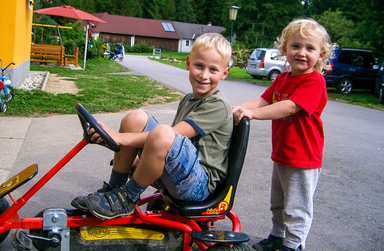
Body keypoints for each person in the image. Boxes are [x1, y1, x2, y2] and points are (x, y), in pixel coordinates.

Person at [71, 33, 233, 221]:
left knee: (165, 132)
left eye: (213, 70)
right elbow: (170, 147)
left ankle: (127, 198)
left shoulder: (218, 104)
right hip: (177, 175)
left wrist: (119, 137)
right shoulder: (188, 99)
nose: (204, 75)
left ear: (224, 73)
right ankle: (115, 189)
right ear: (188, 63)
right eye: (199, 66)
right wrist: (140, 162)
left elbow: (170, 136)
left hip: (198, 186)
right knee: (136, 118)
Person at [232, 18, 336, 251]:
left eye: (310, 48)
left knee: (297, 205)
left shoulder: (314, 81)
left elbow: (290, 107)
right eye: (296, 46)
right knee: (278, 202)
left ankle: (294, 244)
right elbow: (262, 100)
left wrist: (253, 115)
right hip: (282, 154)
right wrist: (238, 108)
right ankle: (278, 236)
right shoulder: (281, 78)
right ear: (284, 50)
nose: (302, 52)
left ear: (320, 55)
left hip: (304, 158)